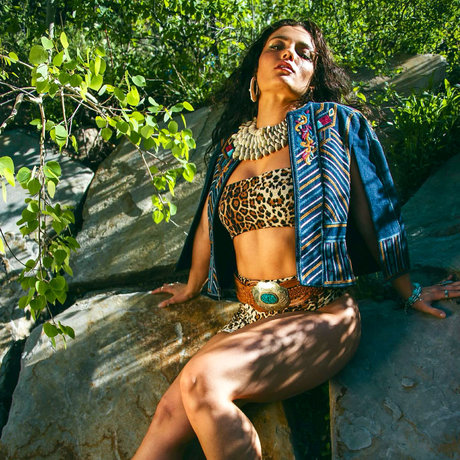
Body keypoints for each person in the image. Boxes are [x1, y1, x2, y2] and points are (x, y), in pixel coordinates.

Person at [133, 18, 459, 460]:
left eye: (304, 53)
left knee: (204, 380)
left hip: (321, 313)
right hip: (250, 317)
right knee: (169, 412)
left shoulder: (332, 126)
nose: (289, 54)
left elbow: (377, 212)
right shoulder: (231, 150)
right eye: (277, 45)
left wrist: (407, 288)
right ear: (255, 73)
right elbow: (208, 226)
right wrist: (191, 286)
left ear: (312, 79)